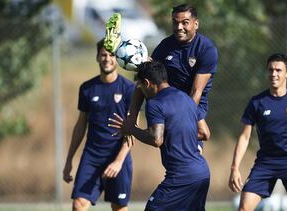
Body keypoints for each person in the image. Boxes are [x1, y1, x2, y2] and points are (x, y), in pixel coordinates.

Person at [105, 3, 218, 152]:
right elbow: (144, 81)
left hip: (191, 107)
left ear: (195, 24)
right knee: (169, 152)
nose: (179, 27)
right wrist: (131, 119)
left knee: (192, 147)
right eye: (175, 22)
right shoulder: (165, 46)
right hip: (167, 104)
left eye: (185, 23)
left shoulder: (206, 49)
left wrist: (179, 120)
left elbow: (196, 92)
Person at [109, 61, 211, 210]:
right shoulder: (186, 98)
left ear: (147, 83)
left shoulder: (155, 103)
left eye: (141, 86)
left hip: (181, 176)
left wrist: (131, 129)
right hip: (202, 172)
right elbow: (205, 133)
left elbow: (156, 139)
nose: (142, 91)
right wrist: (177, 132)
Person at [229, 53, 287, 211]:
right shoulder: (257, 102)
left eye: (278, 70)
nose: (274, 74)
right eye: (271, 70)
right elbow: (245, 137)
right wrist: (234, 168)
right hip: (265, 164)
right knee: (244, 208)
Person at [62, 39, 136, 211]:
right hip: (92, 157)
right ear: (97, 57)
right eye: (103, 54)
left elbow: (133, 131)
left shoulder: (129, 89)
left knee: (119, 207)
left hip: (119, 157)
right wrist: (69, 160)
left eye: (111, 55)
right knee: (78, 204)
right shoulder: (87, 88)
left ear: (118, 58)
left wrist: (118, 161)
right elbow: (80, 125)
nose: (107, 59)